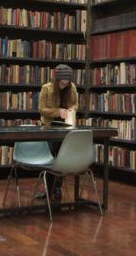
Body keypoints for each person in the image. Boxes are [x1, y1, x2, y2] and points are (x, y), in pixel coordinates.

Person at [37, 64, 78, 199]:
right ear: (57, 79)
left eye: (67, 83)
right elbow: (42, 109)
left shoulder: (71, 88)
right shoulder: (46, 88)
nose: (64, 85)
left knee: (60, 159)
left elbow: (76, 104)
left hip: (65, 129)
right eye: (62, 82)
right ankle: (49, 190)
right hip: (48, 128)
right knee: (50, 160)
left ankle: (57, 188)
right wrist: (58, 111)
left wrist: (72, 109)